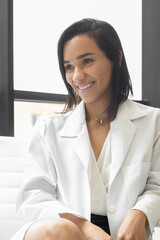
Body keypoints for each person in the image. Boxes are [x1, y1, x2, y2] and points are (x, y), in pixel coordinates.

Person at [11, 18, 160, 240]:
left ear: (116, 59)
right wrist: (83, 227)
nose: (77, 76)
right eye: (69, 67)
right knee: (63, 231)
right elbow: (32, 197)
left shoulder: (153, 122)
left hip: (120, 235)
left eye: (87, 61)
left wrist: (140, 213)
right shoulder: (48, 129)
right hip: (58, 232)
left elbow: (156, 185)